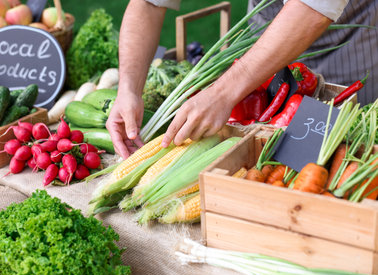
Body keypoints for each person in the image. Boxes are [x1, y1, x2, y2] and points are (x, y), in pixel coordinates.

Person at [106, 0, 377, 159]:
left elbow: (313, 8)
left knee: (328, 158)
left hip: (343, 43)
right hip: (266, 32)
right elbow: (149, 4)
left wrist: (222, 94)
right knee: (266, 158)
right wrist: (128, 89)